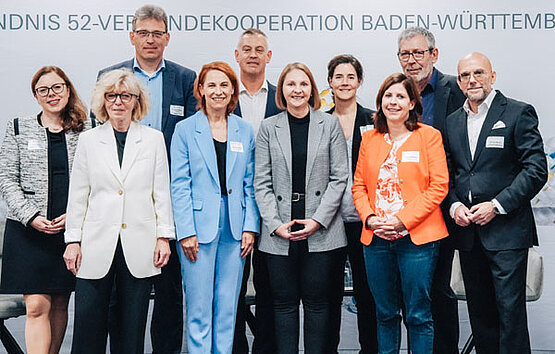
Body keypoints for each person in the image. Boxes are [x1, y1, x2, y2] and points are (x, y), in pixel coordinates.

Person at [97, 6, 196, 351]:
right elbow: (100, 144)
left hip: (171, 198)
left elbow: (194, 139)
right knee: (121, 291)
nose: (150, 40)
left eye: (157, 33)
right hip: (124, 201)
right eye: (143, 33)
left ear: (167, 38)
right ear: (132, 37)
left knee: (169, 289)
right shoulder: (110, 75)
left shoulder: (186, 79)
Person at [63, 69, 175, 354]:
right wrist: (72, 240)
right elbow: (78, 195)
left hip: (139, 244)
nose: (118, 102)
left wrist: (164, 237)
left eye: (126, 95)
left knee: (130, 328)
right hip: (95, 244)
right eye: (111, 96)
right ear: (103, 101)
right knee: (89, 327)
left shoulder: (153, 139)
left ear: (136, 101)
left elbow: (160, 192)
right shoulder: (89, 140)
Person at [445, 52, 547, 354]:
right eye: (464, 75)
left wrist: (497, 205)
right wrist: (453, 206)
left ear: (493, 75)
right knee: (481, 317)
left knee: (510, 316)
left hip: (507, 233)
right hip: (468, 235)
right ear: (459, 81)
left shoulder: (517, 112)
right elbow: (449, 174)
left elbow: (536, 169)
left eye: (478, 73)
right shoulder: (452, 121)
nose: (471, 80)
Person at [254, 62, 349, 353]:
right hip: (279, 230)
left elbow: (339, 177)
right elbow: (261, 181)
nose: (297, 90)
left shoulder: (329, 123)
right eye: (291, 84)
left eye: (303, 84)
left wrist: (318, 220)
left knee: (318, 304)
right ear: (281, 90)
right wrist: (274, 223)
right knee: (282, 305)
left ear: (312, 89)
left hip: (321, 229)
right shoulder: (268, 127)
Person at [352, 73, 449, 354]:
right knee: (384, 314)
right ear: (380, 102)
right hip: (377, 239)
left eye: (400, 97)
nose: (393, 102)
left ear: (411, 104)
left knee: (418, 315)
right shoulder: (370, 138)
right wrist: (370, 219)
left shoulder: (428, 136)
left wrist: (401, 220)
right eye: (388, 96)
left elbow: (439, 186)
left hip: (416, 240)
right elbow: (358, 186)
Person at [171, 61, 260, 354]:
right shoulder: (185, 130)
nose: (218, 91)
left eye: (224, 85)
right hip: (197, 229)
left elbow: (250, 183)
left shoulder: (244, 130)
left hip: (235, 229)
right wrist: (185, 232)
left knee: (227, 308)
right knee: (198, 307)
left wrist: (250, 227)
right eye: (212, 85)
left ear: (233, 89)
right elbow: (179, 185)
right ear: (201, 90)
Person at [0, 66, 88, 354]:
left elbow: (96, 179)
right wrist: (31, 216)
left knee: (61, 301)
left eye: (57, 88)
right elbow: (6, 179)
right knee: (37, 305)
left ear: (68, 89)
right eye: (43, 90)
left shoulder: (87, 128)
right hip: (28, 232)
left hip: (69, 231)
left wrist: (75, 217)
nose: (51, 95)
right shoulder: (17, 127)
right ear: (35, 96)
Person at [397, 26, 466, 353]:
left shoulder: (458, 90)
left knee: (440, 291)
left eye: (418, 53)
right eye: (405, 54)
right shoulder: (394, 93)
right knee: (411, 293)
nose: (411, 61)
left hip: (449, 208)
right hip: (405, 212)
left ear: (434, 55)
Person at [232, 27, 281, 354]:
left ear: (268, 56)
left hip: (273, 208)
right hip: (232, 207)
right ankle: (234, 347)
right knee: (231, 287)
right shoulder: (221, 95)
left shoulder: (282, 98)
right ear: (236, 55)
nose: (252, 54)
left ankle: (266, 348)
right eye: (246, 49)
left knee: (271, 288)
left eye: (258, 49)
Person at [325, 54, 378, 354]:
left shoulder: (375, 121)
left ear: (359, 81)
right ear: (330, 82)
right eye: (338, 77)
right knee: (329, 295)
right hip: (329, 225)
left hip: (365, 223)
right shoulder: (320, 120)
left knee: (368, 295)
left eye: (350, 77)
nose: (344, 83)